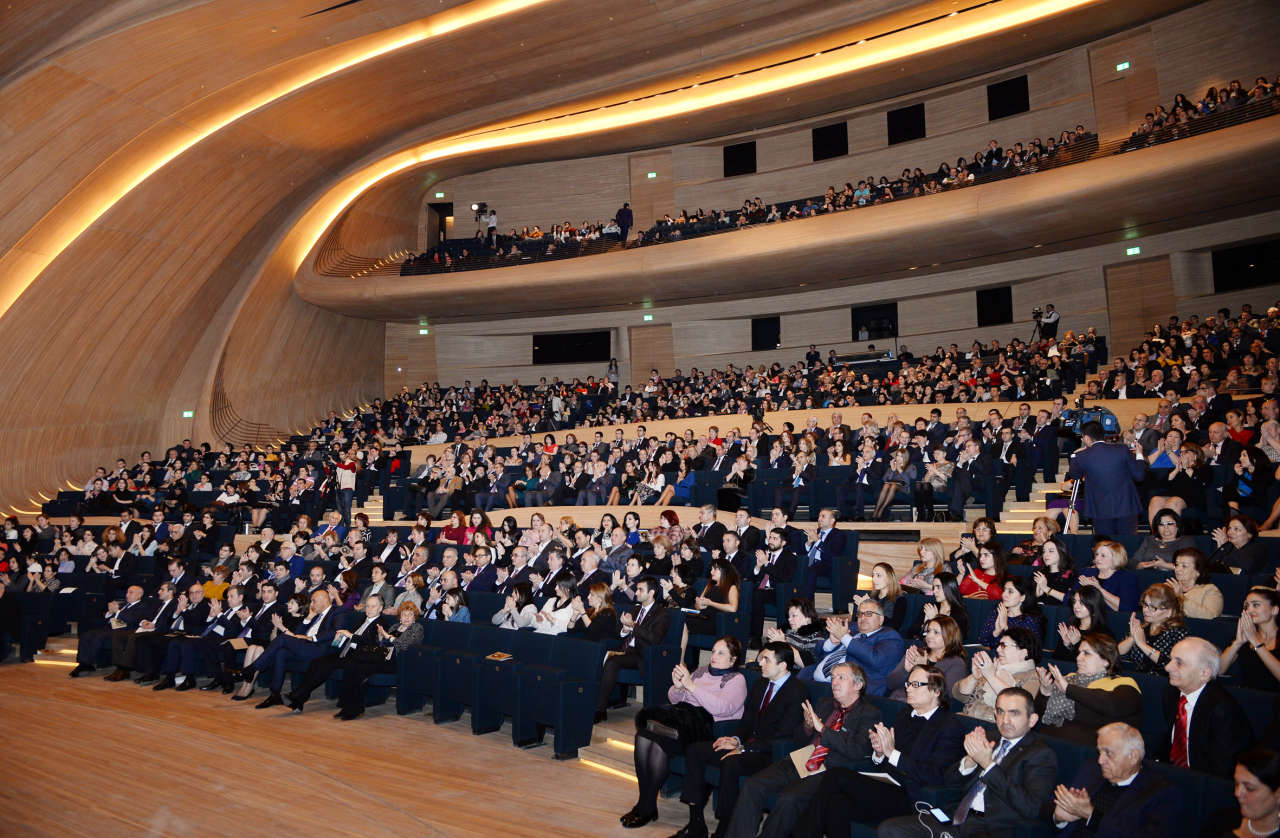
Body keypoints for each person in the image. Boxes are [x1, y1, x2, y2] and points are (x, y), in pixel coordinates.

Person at [794, 663, 967, 835]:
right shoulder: (906, 715)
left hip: (911, 795)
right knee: (836, 803)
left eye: (915, 685)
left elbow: (935, 776)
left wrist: (892, 753)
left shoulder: (949, 726)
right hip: (885, 785)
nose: (908, 689)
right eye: (908, 684)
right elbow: (883, 761)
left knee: (835, 775)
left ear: (936, 691)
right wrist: (879, 753)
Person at [722, 661, 880, 838]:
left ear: (858, 685)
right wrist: (807, 726)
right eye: (833, 677)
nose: (834, 682)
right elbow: (797, 739)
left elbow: (857, 750)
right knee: (753, 785)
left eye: (841, 678)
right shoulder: (824, 703)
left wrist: (822, 729)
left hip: (830, 769)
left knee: (789, 799)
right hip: (803, 758)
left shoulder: (868, 713)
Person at [878, 687, 1058, 838]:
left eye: (1014, 713)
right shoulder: (990, 737)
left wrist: (989, 765)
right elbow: (949, 781)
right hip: (956, 816)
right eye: (1000, 712)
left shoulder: (1040, 754)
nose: (1005, 720)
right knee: (890, 830)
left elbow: (1031, 807)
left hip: (991, 827)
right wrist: (969, 762)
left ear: (1032, 719)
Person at [671, 642, 809, 838]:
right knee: (695, 751)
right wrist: (735, 738)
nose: (760, 662)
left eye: (766, 659)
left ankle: (726, 826)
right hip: (748, 744)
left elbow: (784, 735)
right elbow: (747, 719)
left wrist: (743, 748)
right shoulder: (762, 683)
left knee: (731, 763)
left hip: (771, 753)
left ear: (783, 665)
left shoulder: (797, 691)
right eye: (761, 658)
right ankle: (696, 823)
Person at [621, 637, 748, 829]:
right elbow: (676, 699)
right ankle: (645, 803)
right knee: (643, 738)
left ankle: (645, 806)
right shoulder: (701, 671)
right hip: (683, 719)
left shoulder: (737, 680)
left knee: (652, 737)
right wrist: (679, 688)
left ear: (733, 660)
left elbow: (723, 708)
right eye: (713, 651)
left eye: (721, 653)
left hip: (705, 730)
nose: (714, 656)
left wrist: (692, 686)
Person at [1050, 723, 1180, 834]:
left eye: (1108, 753)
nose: (1101, 760)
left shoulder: (1158, 791)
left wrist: (1091, 815)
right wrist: (1059, 818)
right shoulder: (1091, 770)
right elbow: (1047, 809)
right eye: (1099, 752)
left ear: (1133, 756)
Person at [1163, 636, 1253, 778]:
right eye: (1171, 659)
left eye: (1179, 663)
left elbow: (1222, 770)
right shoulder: (1172, 692)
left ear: (1204, 674)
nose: (1167, 667)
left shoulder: (1223, 711)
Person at [1036, 633, 1142, 746]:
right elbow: (1039, 714)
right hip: (1048, 743)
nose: (1078, 658)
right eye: (1079, 653)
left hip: (1090, 751)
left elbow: (1112, 707)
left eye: (1086, 653)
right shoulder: (1069, 678)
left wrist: (1068, 689)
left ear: (1106, 660)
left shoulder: (1124, 683)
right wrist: (1045, 692)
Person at [596, 576, 670, 720]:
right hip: (626, 650)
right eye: (637, 589)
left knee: (613, 661)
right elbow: (619, 633)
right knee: (597, 655)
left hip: (642, 654)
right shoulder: (636, 609)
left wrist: (633, 626)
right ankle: (595, 702)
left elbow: (654, 639)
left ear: (652, 593)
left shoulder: (662, 613)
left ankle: (599, 709)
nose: (636, 592)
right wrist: (625, 628)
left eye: (640, 590)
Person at [801, 599, 905, 695]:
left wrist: (844, 637)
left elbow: (876, 659)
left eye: (868, 614)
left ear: (881, 619)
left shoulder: (891, 637)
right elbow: (817, 652)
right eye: (860, 614)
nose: (862, 618)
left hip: (848, 689)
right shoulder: (852, 628)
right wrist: (832, 642)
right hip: (812, 679)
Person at [1066, 420, 1147, 537]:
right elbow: (1139, 476)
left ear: (1087, 438)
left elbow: (1075, 475)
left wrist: (1075, 455)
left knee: (1105, 547)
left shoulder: (1082, 456)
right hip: (1126, 506)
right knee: (1129, 545)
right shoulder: (1122, 450)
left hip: (1099, 510)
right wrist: (1139, 455)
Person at [954, 626, 1041, 721]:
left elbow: (1018, 705)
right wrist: (974, 677)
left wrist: (991, 677)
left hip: (994, 728)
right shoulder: (993, 667)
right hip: (966, 718)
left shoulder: (1033, 676)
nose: (998, 649)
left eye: (1003, 645)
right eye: (999, 645)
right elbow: (958, 695)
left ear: (1023, 652)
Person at [1200, 747, 1280, 837]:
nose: (1237, 793)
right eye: (1237, 784)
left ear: (1278, 795)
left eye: (1250, 788)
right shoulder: (1220, 822)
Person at [887, 615, 967, 700]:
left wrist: (923, 669)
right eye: (928, 631)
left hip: (924, 708)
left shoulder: (956, 663)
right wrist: (905, 671)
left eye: (936, 632)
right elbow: (891, 684)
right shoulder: (917, 653)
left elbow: (945, 695)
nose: (929, 636)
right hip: (898, 700)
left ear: (949, 635)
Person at [1118, 582, 1189, 675]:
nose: (1146, 610)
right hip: (1139, 679)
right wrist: (1133, 637)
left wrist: (1142, 645)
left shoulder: (1178, 633)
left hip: (1163, 683)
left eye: (1153, 607)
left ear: (1169, 612)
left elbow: (1169, 664)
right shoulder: (1143, 627)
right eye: (1145, 604)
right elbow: (1118, 653)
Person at [1220, 587, 1280, 692]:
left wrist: (1256, 642)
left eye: (1256, 605)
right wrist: (1237, 643)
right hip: (1249, 698)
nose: (1249, 610)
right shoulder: (1246, 635)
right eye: (1247, 606)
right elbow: (1219, 671)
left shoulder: (1252, 636)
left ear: (1274, 610)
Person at [976, 576, 1044, 651]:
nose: (1004, 595)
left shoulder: (1030, 620)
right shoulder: (997, 612)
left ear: (1022, 598)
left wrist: (1006, 628)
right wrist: (996, 632)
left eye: (1010, 592)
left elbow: (1028, 649)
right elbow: (982, 641)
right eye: (1004, 590)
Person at [1076, 540, 1139, 613]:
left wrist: (1099, 588)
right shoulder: (1088, 573)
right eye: (1097, 554)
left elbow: (1127, 608)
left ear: (1115, 558)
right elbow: (1070, 598)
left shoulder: (1127, 578)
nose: (1097, 559)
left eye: (1103, 555)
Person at [1053, 587, 1115, 662]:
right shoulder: (1071, 628)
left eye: (1081, 603)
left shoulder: (1103, 633)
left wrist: (1076, 644)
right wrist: (1066, 645)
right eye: (1074, 602)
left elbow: (1094, 665)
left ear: (1093, 605)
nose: (1076, 606)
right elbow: (1057, 660)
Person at [1167, 547, 1224, 619]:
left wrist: (1181, 597)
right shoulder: (1168, 586)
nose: (1178, 569)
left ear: (1198, 572)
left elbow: (1211, 615)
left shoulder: (1210, 590)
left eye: (1184, 566)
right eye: (1176, 565)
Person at [853, 562, 906, 631]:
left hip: (884, 637)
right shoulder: (870, 596)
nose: (874, 579)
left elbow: (895, 626)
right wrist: (860, 609)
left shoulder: (900, 599)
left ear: (889, 578)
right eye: (873, 576)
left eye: (878, 575)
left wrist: (869, 609)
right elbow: (857, 622)